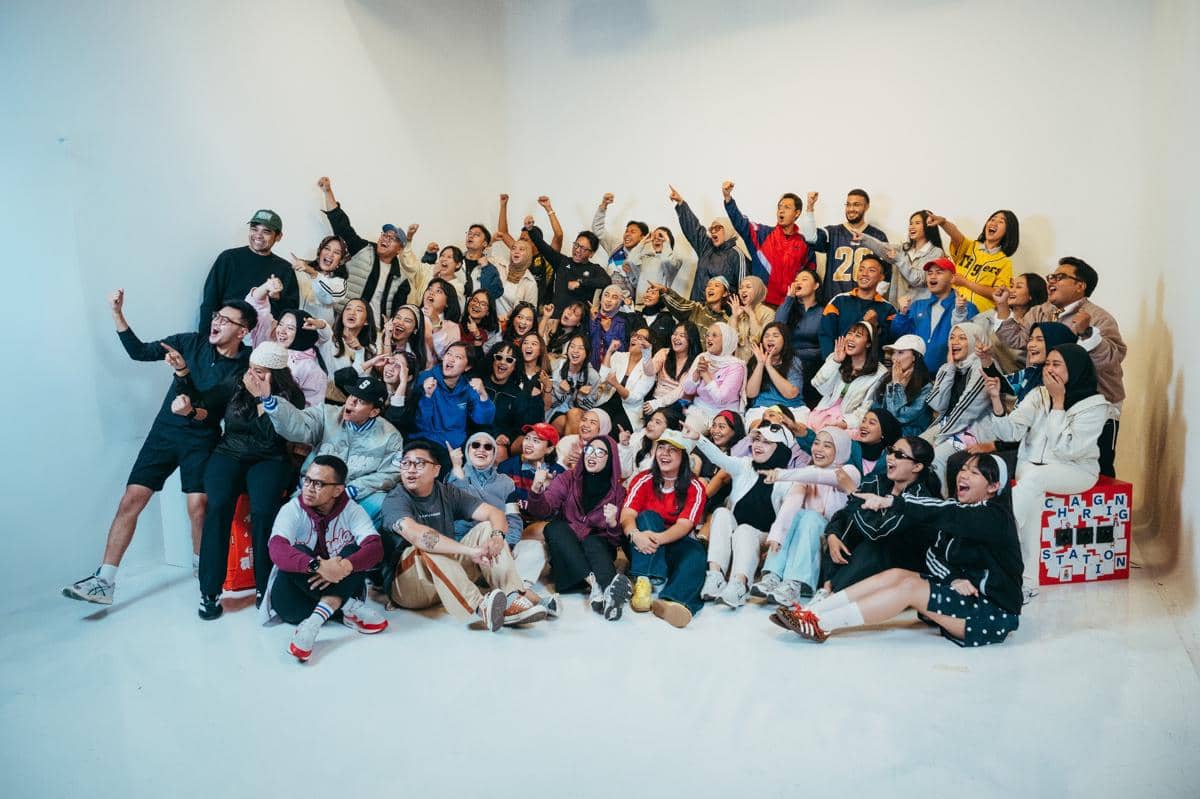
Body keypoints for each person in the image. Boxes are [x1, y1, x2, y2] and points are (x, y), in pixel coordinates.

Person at [63, 290, 254, 606]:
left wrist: (183, 374)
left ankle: (204, 580)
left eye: (225, 320)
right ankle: (104, 582)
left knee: (198, 507)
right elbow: (138, 351)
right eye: (216, 316)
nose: (216, 322)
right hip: (164, 433)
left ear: (242, 331)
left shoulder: (243, 366)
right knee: (131, 499)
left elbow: (208, 406)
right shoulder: (189, 342)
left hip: (202, 437)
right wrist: (117, 313)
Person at [773, 453, 1021, 648]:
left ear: (993, 486)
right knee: (897, 574)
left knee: (909, 588)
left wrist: (892, 501)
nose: (963, 475)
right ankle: (810, 613)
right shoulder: (958, 510)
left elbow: (944, 511)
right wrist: (954, 578)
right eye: (964, 469)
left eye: (974, 473)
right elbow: (932, 555)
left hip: (991, 614)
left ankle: (821, 624)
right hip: (964, 599)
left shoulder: (995, 517)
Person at [984, 343, 1109, 598]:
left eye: (1057, 364)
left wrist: (1059, 403)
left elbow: (1067, 450)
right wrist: (996, 400)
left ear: (1074, 368)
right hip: (1031, 472)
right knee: (1034, 503)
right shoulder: (1038, 395)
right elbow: (1011, 432)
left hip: (1075, 471)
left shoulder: (1095, 406)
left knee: (1034, 481)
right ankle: (1027, 583)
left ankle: (992, 529)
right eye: (1047, 364)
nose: (1049, 369)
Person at [192, 341, 306, 619]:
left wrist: (260, 398)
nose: (252, 375)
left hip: (270, 457)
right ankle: (209, 591)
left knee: (264, 511)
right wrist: (184, 381)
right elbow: (206, 401)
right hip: (229, 452)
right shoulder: (236, 382)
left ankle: (265, 588)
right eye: (251, 368)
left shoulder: (291, 396)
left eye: (260, 371)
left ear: (276, 374)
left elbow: (272, 435)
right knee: (218, 506)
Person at [381, 440, 547, 629]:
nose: (410, 470)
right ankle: (482, 606)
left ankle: (512, 598)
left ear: (436, 470)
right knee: (428, 547)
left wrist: (497, 537)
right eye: (405, 463)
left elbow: (494, 513)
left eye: (419, 463)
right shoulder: (396, 498)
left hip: (446, 579)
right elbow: (420, 536)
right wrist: (470, 551)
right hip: (408, 587)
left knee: (487, 528)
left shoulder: (446, 492)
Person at [994, 257, 1126, 477]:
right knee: (1050, 462)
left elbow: (1114, 355)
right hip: (1048, 398)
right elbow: (1017, 339)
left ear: (1080, 285)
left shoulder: (1098, 317)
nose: (1052, 281)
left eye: (1060, 277)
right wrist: (1001, 306)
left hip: (1091, 405)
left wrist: (1087, 333)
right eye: (1051, 277)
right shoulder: (1041, 312)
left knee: (1094, 467)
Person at [265, 456, 387, 662]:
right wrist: (317, 566)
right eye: (307, 480)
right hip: (294, 603)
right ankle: (347, 607)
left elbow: (375, 548)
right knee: (298, 551)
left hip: (339, 588)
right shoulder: (292, 509)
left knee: (353, 551)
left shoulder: (352, 510)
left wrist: (344, 566)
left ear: (338, 490)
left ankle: (313, 623)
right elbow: (276, 549)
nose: (309, 488)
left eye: (318, 484)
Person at [260, 374, 402, 524]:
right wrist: (271, 403)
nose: (351, 402)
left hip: (356, 496)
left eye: (360, 401)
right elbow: (299, 425)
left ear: (374, 412)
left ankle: (356, 538)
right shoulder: (327, 414)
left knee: (383, 504)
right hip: (316, 488)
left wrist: (354, 489)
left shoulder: (390, 435)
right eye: (352, 395)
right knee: (291, 521)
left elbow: (392, 472)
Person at [814, 435, 941, 599]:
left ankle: (834, 594)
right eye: (890, 451)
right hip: (868, 561)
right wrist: (832, 535)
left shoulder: (918, 500)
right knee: (847, 527)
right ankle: (827, 588)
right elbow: (844, 514)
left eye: (899, 455)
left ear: (917, 466)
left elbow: (877, 532)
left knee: (875, 546)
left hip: (901, 566)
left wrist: (852, 492)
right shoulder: (877, 482)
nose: (890, 457)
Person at [750, 427, 861, 606]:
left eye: (827, 446)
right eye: (816, 443)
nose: (818, 449)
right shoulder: (806, 473)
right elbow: (791, 503)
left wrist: (782, 474)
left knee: (810, 517)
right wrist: (777, 534)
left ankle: (795, 584)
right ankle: (772, 577)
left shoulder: (849, 471)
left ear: (840, 450)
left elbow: (821, 476)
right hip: (805, 535)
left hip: (834, 539)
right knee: (796, 515)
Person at [526, 435, 633, 620]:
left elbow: (616, 541)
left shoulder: (619, 493)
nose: (592, 455)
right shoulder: (568, 478)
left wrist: (613, 523)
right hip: (569, 565)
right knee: (554, 528)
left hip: (597, 557)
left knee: (593, 541)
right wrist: (536, 490)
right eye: (589, 450)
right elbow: (543, 511)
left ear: (611, 459)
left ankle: (607, 596)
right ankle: (598, 586)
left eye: (600, 452)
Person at [689, 423, 795, 609]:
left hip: (765, 537)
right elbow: (720, 458)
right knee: (721, 512)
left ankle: (739, 584)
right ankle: (715, 575)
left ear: (780, 449)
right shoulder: (745, 465)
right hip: (736, 528)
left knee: (745, 530)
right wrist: (699, 438)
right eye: (757, 440)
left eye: (766, 442)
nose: (758, 445)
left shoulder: (789, 479)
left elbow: (787, 521)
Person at [621, 430, 708, 628]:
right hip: (639, 543)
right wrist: (635, 535)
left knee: (696, 552)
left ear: (683, 456)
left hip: (669, 540)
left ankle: (672, 601)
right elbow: (627, 515)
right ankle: (644, 581)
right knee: (648, 516)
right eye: (661, 448)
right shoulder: (643, 479)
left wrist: (658, 538)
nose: (664, 454)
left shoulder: (695, 486)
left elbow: (684, 525)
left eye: (672, 450)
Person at [448, 433, 548, 601]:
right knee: (488, 526)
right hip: (467, 550)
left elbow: (514, 519)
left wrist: (508, 545)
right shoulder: (455, 476)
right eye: (475, 445)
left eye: (488, 447)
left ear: (494, 453)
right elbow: (460, 509)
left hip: (498, 546)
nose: (481, 450)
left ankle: (517, 587)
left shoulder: (505, 482)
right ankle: (517, 596)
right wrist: (457, 468)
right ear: (467, 451)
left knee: (536, 547)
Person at [317, 177, 416, 322]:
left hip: (374, 329)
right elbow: (341, 226)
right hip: (343, 321)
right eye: (385, 235)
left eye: (392, 238)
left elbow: (398, 313)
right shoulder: (363, 249)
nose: (385, 239)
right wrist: (328, 191)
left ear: (400, 249)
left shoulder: (401, 279)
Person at [198, 209, 298, 334]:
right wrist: (204, 339)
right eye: (254, 229)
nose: (258, 235)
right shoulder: (229, 258)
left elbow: (290, 315)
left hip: (263, 338)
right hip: (227, 334)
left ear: (278, 236)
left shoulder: (285, 269)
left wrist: (277, 298)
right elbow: (210, 302)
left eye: (266, 231)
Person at [722, 181, 812, 306]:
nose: (781, 211)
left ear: (797, 213)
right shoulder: (761, 234)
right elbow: (741, 223)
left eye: (787, 207)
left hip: (789, 306)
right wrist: (728, 198)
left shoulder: (804, 244)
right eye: (779, 207)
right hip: (761, 304)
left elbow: (810, 275)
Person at [244, 276, 328, 407]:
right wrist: (266, 287)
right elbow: (255, 309)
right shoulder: (267, 342)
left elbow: (311, 411)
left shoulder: (312, 370)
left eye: (290, 328)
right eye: (281, 324)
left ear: (302, 333)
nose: (281, 331)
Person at [800, 190, 889, 304]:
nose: (851, 209)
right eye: (848, 204)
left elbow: (886, 273)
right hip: (834, 302)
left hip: (864, 303)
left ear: (866, 207)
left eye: (856, 204)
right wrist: (810, 207)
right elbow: (810, 238)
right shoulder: (832, 232)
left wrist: (873, 299)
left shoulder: (878, 236)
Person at [925, 208, 1019, 313]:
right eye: (992, 219)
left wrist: (965, 283)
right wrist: (943, 222)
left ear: (1008, 231)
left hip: (979, 314)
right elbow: (955, 234)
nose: (994, 223)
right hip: (950, 307)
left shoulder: (1005, 262)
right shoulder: (970, 246)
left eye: (1001, 221)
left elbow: (998, 294)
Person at [890, 257, 977, 371]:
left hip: (951, 375)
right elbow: (899, 337)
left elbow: (971, 346)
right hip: (917, 375)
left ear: (952, 278)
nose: (932, 276)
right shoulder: (917, 305)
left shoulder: (967, 307)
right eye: (929, 273)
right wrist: (902, 314)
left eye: (939, 272)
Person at [805, 321, 887, 433]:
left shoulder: (880, 373)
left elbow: (867, 408)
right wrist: (835, 362)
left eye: (858, 335)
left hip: (851, 423)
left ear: (868, 344)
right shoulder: (836, 357)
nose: (851, 338)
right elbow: (820, 387)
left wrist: (845, 423)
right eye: (850, 333)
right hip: (823, 413)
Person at [669, 184, 746, 302]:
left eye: (718, 228)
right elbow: (693, 229)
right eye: (711, 229)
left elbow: (743, 286)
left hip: (721, 310)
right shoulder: (706, 247)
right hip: (697, 307)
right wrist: (681, 203)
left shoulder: (736, 255)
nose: (713, 231)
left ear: (728, 229)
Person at [854, 209, 945, 306]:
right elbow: (882, 248)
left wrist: (899, 259)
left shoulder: (936, 252)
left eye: (917, 223)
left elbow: (918, 279)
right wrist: (863, 238)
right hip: (898, 307)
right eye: (911, 223)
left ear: (928, 226)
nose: (911, 227)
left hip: (921, 309)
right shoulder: (903, 248)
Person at [415, 342, 495, 449]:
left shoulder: (468, 386)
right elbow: (420, 424)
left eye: (458, 357)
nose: (451, 359)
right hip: (428, 441)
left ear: (467, 367)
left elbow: (483, 420)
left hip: (456, 444)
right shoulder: (426, 378)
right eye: (449, 354)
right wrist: (427, 397)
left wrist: (483, 394)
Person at [818, 254, 898, 357]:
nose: (864, 274)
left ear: (881, 277)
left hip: (871, 365)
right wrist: (833, 361)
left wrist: (876, 326)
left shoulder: (889, 309)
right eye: (861, 269)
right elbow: (825, 335)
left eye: (871, 270)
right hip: (838, 362)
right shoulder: (838, 301)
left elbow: (888, 344)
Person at [527, 217, 611, 314]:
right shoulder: (562, 261)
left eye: (583, 248)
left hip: (579, 319)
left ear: (591, 253)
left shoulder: (594, 269)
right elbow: (543, 246)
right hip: (556, 317)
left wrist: (581, 282)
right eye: (576, 245)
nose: (577, 250)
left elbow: (606, 281)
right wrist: (530, 229)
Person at [475, 340, 544, 458]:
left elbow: (525, 426)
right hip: (476, 434)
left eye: (509, 360)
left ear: (514, 366)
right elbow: (474, 418)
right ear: (492, 360)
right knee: (499, 451)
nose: (502, 362)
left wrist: (535, 398)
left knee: (508, 447)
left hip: (502, 441)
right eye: (499, 357)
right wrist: (495, 434)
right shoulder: (479, 383)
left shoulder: (516, 392)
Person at [971, 272, 1048, 374]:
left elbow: (1021, 354)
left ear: (1031, 294)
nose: (1011, 290)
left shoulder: (1038, 322)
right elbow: (968, 332)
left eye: (1018, 287)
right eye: (1011, 286)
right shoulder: (990, 315)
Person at [497, 195, 563, 306]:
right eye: (520, 239)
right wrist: (503, 205)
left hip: (542, 310)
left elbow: (559, 235)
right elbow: (503, 233)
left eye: (525, 239)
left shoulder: (548, 257)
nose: (520, 242)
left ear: (536, 241)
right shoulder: (519, 252)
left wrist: (548, 209)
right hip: (518, 308)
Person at [681, 322, 747, 427]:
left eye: (714, 335)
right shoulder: (702, 357)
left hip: (724, 415)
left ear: (726, 340)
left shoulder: (736, 366)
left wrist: (705, 374)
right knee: (688, 433)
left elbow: (721, 399)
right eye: (707, 335)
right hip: (699, 410)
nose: (709, 338)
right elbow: (688, 390)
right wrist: (697, 373)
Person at [774, 270, 824, 406]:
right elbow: (777, 328)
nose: (798, 283)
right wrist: (789, 298)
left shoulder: (823, 311)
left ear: (816, 286)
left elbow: (826, 345)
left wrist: (805, 354)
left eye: (804, 279)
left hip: (814, 364)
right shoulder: (789, 308)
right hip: (788, 362)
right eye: (796, 280)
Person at [596, 326, 657, 433]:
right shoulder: (619, 356)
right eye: (634, 335)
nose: (634, 338)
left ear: (647, 345)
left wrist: (616, 384)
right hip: (608, 400)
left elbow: (634, 398)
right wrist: (609, 352)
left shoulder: (649, 369)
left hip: (629, 410)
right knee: (594, 421)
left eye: (639, 337)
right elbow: (602, 378)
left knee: (613, 429)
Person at [592, 192, 648, 301]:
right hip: (605, 301)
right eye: (626, 231)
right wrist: (603, 206)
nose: (627, 234)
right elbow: (598, 230)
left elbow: (643, 286)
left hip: (628, 305)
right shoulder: (616, 246)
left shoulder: (645, 257)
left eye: (632, 232)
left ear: (642, 237)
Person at [874, 334, 933, 436]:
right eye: (893, 353)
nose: (894, 358)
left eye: (900, 352)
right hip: (882, 431)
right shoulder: (887, 377)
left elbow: (900, 418)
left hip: (908, 436)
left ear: (915, 357)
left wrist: (897, 387)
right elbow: (877, 408)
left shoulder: (926, 388)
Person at [642, 322, 702, 417]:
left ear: (691, 339)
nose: (676, 338)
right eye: (674, 334)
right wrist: (646, 352)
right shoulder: (664, 353)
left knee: (660, 418)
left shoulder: (695, 361)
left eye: (682, 335)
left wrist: (658, 403)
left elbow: (681, 390)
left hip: (678, 403)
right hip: (657, 398)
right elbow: (649, 372)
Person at [745, 322, 807, 413]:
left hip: (791, 408)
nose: (770, 339)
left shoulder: (793, 361)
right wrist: (760, 364)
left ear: (784, 340)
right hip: (762, 408)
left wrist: (769, 366)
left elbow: (791, 393)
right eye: (766, 336)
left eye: (775, 336)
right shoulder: (755, 361)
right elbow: (751, 394)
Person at [290, 234, 349, 328]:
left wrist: (313, 273)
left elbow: (328, 297)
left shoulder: (340, 283)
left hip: (319, 333)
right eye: (327, 248)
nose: (330, 254)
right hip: (292, 327)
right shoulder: (302, 270)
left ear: (341, 261)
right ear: (320, 252)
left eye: (336, 252)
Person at [547, 334, 602, 434]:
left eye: (580, 348)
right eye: (572, 346)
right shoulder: (556, 366)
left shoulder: (593, 376)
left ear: (587, 353)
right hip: (556, 411)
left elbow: (589, 408)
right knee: (568, 420)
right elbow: (549, 403)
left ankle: (568, 443)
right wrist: (560, 391)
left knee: (574, 413)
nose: (575, 351)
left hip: (579, 414)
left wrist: (580, 396)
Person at [327, 299, 377, 402]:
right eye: (348, 308)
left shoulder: (370, 349)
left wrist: (360, 351)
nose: (352, 312)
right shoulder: (329, 338)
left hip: (349, 401)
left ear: (366, 321)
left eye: (358, 310)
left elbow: (362, 382)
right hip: (326, 396)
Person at [657, 276, 731, 337]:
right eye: (708, 285)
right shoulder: (696, 308)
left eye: (717, 285)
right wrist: (665, 291)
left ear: (725, 293)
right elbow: (680, 304)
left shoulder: (726, 322)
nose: (711, 288)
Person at [729, 276, 775, 360]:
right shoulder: (737, 313)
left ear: (758, 290)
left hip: (760, 362)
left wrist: (751, 314)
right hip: (738, 363)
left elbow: (761, 339)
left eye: (748, 287)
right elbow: (730, 342)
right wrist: (735, 318)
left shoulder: (768, 313)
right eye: (741, 288)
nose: (743, 290)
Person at [588, 284, 634, 368]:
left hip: (611, 369)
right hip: (590, 368)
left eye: (614, 297)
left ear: (619, 302)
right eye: (606, 295)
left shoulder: (622, 323)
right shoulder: (592, 317)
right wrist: (593, 321)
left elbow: (621, 351)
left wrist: (608, 331)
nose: (608, 300)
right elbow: (587, 343)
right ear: (601, 298)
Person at [420, 278, 463, 364]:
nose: (431, 293)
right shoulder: (411, 313)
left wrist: (435, 322)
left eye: (438, 291)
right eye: (429, 289)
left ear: (447, 302)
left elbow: (443, 356)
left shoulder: (452, 327)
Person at [495, 239, 540, 320]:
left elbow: (531, 313)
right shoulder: (500, 266)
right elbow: (483, 258)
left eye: (521, 249)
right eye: (513, 248)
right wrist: (491, 241)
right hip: (489, 320)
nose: (516, 251)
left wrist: (509, 316)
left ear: (528, 255)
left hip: (509, 324)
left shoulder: (530, 283)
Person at [462, 223, 503, 301]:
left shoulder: (490, 269)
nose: (470, 236)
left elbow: (494, 294)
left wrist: (486, 269)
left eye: (476, 235)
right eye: (469, 233)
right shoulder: (456, 261)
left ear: (485, 243)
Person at [460, 289, 501, 358]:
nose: (476, 305)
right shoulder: (458, 320)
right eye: (475, 300)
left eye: (483, 304)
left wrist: (477, 335)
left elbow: (480, 359)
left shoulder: (490, 332)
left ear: (488, 311)